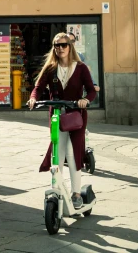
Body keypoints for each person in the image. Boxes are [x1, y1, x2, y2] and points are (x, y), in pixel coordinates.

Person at [28, 32, 96, 210]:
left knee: (73, 154)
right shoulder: (51, 68)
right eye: (56, 45)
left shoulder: (81, 68)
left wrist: (86, 100)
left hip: (76, 116)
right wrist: (33, 98)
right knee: (58, 154)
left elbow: (91, 91)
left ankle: (75, 193)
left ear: (70, 47)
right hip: (57, 115)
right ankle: (56, 189)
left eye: (63, 45)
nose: (60, 48)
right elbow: (38, 87)